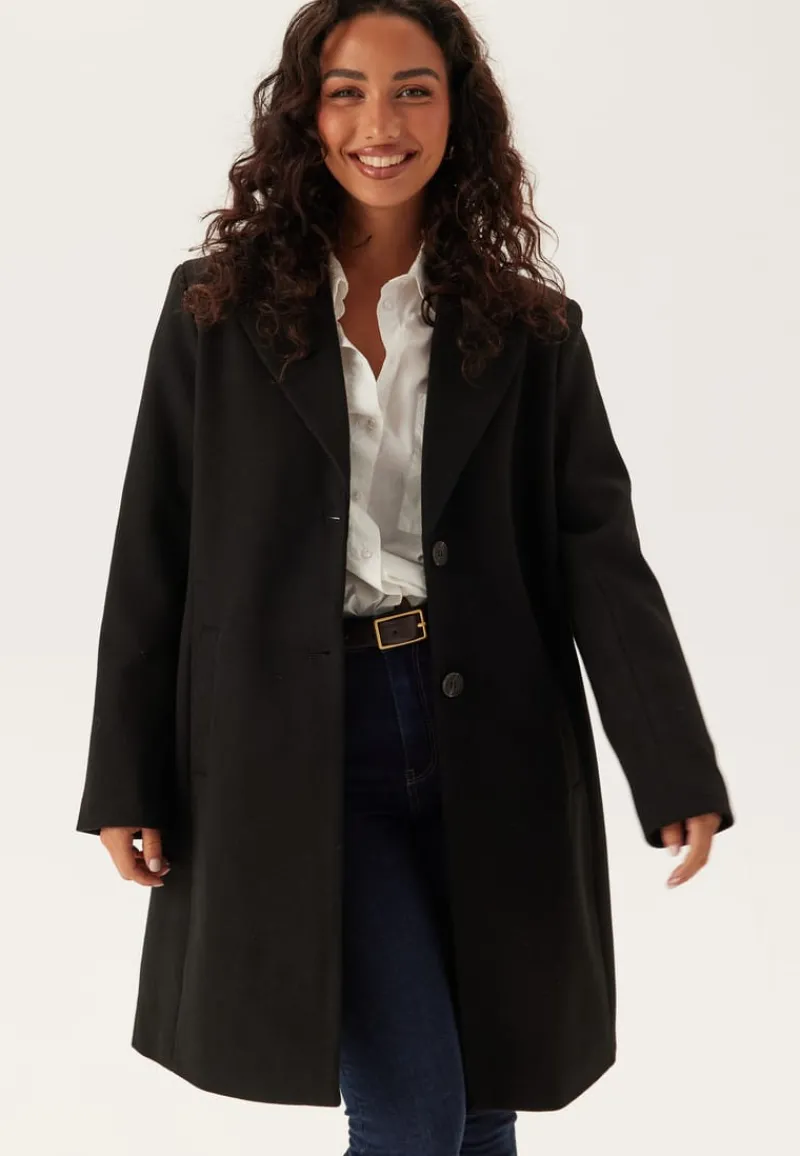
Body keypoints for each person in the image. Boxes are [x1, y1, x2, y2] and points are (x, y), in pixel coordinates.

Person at [75, 1, 735, 1153]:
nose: (379, 123)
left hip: (491, 739)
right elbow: (153, 546)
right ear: (305, 113)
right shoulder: (215, 313)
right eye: (346, 92)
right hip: (302, 748)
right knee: (416, 1113)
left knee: (480, 1103)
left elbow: (596, 551)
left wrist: (671, 761)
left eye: (412, 90)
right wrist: (124, 775)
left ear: (457, 112)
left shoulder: (529, 329)